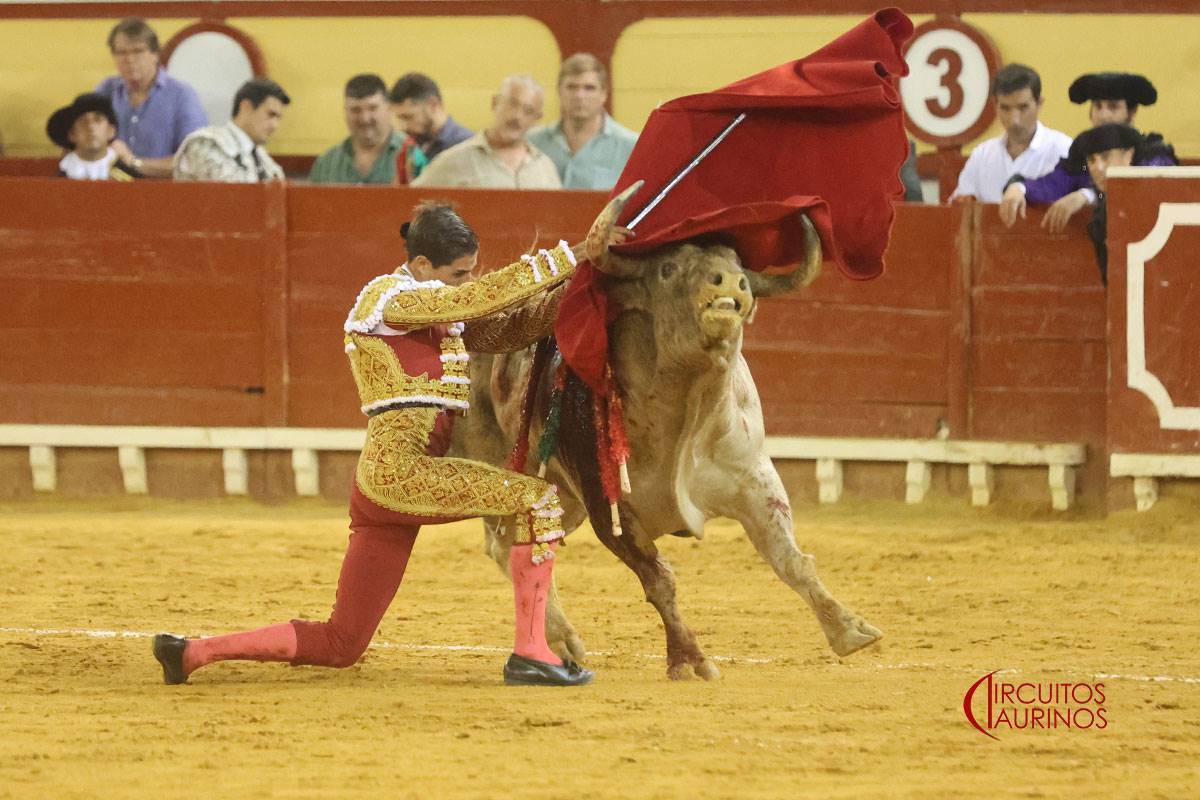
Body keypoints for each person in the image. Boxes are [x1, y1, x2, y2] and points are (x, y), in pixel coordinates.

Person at [152, 186, 640, 688]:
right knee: (537, 500)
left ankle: (192, 653)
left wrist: (585, 278)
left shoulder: (438, 314)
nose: (465, 283)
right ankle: (532, 653)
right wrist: (573, 252)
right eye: (458, 273)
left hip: (384, 485)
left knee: (342, 643)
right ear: (423, 266)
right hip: (401, 472)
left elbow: (510, 328)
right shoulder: (385, 297)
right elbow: (477, 298)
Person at [1000, 72, 1158, 231]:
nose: (1103, 115)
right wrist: (1019, 187)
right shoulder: (1081, 157)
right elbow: (1052, 185)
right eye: (1098, 106)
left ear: (1131, 113)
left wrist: (1087, 196)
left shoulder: (1151, 154)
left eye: (1113, 107)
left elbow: (1139, 191)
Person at [94, 17, 207, 178]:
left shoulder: (182, 95)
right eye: (121, 53)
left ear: (155, 54)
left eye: (138, 51)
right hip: (110, 191)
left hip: (165, 195)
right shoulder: (105, 90)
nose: (130, 60)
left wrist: (134, 163)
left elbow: (194, 162)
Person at [1066, 123, 1177, 283]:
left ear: (1128, 156)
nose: (1098, 167)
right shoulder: (1101, 213)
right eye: (1091, 160)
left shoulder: (1155, 189)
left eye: (1106, 156)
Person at [948, 64, 1071, 203]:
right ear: (996, 106)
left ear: (1039, 103)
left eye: (1023, 107)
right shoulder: (982, 155)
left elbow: (1091, 200)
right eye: (1005, 108)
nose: (1014, 120)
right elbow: (959, 207)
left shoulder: (1064, 149)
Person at [412, 75, 561, 189]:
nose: (517, 116)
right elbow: (410, 201)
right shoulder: (454, 160)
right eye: (512, 104)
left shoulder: (545, 167)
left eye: (528, 111)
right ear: (495, 103)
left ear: (537, 119)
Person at [526, 53, 638, 190]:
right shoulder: (533, 142)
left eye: (589, 88)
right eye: (572, 87)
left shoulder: (631, 147)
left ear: (604, 94)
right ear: (559, 91)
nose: (579, 96)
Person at [173, 78, 289, 182]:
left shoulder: (264, 160)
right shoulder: (206, 144)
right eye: (270, 114)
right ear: (246, 107)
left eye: (278, 118)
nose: (275, 125)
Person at [309, 74, 405, 184]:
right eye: (355, 110)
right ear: (345, 111)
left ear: (388, 108)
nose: (365, 119)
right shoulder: (326, 163)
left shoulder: (412, 155)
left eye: (372, 108)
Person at [389, 72, 473, 182]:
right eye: (400, 119)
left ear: (433, 105)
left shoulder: (465, 146)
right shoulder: (414, 147)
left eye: (409, 117)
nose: (404, 127)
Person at [46, 92, 141, 181]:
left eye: (98, 120)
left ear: (111, 131)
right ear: (72, 135)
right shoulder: (63, 176)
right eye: (83, 122)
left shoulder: (126, 177)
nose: (90, 127)